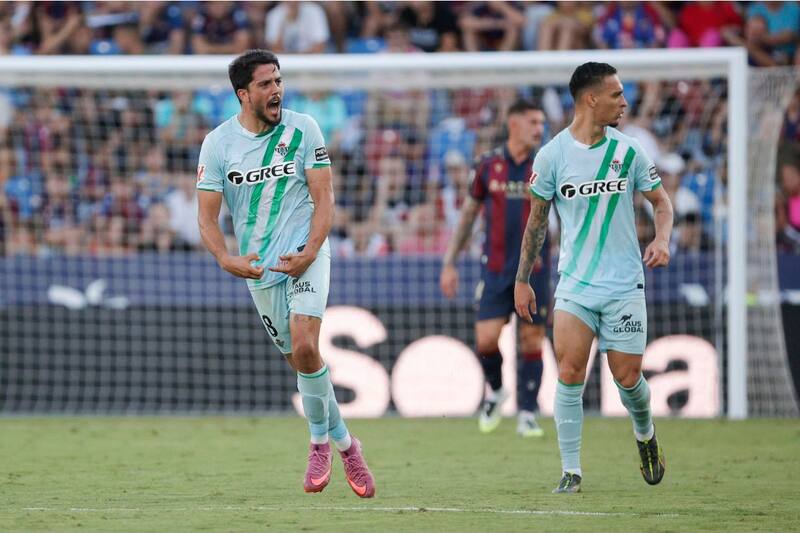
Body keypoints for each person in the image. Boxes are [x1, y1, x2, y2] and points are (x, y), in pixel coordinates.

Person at [196, 49, 375, 498]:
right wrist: (225, 258)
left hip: (305, 252)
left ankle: (318, 445)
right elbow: (207, 218)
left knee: (306, 344)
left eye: (278, 80)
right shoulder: (218, 144)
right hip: (260, 270)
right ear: (243, 94)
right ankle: (347, 444)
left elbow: (325, 197)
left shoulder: (304, 128)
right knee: (303, 363)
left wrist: (311, 249)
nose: (276, 89)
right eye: (265, 84)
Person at [514, 62, 673, 493]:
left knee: (628, 379)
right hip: (575, 284)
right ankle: (571, 471)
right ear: (591, 99)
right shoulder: (552, 156)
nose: (624, 102)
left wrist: (662, 239)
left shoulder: (629, 151)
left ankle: (645, 433)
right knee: (569, 371)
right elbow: (536, 222)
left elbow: (661, 202)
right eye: (617, 94)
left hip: (624, 284)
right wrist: (522, 279)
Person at [440, 100, 550, 438]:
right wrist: (449, 262)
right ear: (513, 123)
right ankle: (498, 391)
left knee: (531, 340)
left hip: (535, 270)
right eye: (533, 122)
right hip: (495, 270)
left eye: (541, 122)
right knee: (486, 340)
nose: (539, 128)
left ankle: (527, 413)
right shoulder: (487, 165)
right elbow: (468, 217)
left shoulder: (545, 165)